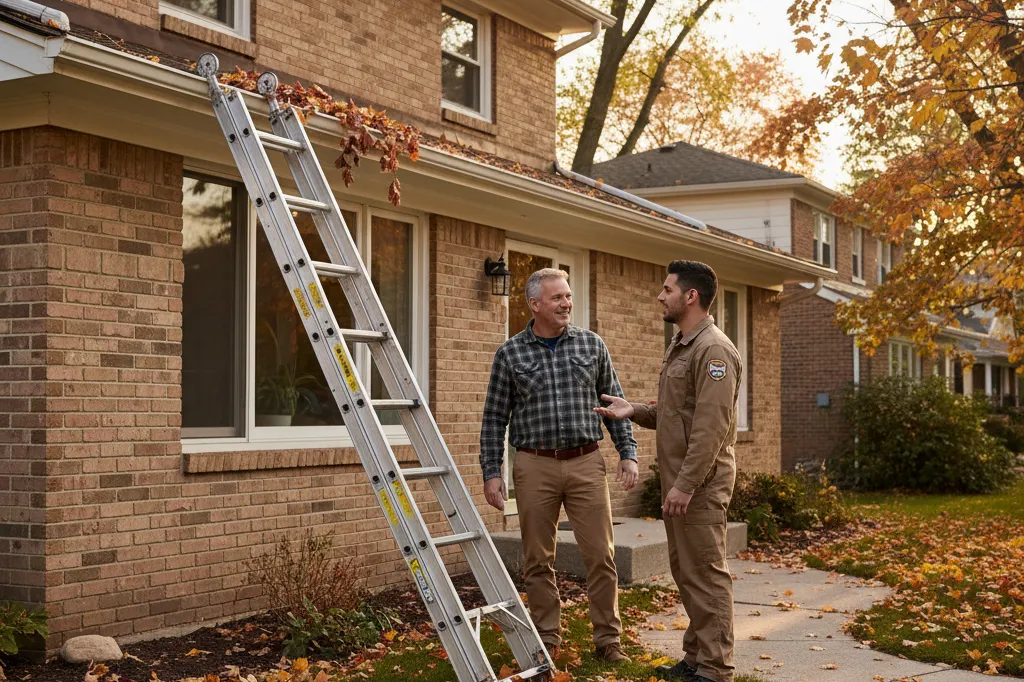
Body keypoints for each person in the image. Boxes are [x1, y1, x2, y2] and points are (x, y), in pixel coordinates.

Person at [480, 267, 639, 663]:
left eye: (568, 296)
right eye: (557, 298)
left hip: (586, 462)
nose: (567, 303)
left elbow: (614, 404)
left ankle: (608, 642)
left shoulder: (591, 345)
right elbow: (494, 418)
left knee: (601, 555)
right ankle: (547, 640)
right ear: (535, 304)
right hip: (534, 465)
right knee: (538, 560)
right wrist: (492, 472)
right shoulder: (510, 354)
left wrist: (628, 452)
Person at [595, 260, 741, 682]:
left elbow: (710, 430)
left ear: (690, 296)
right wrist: (634, 410)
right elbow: (678, 415)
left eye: (667, 289)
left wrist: (686, 485)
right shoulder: (682, 345)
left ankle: (715, 670)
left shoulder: (713, 350)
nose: (660, 296)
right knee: (688, 574)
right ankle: (696, 659)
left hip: (699, 486)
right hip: (682, 485)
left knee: (706, 575)